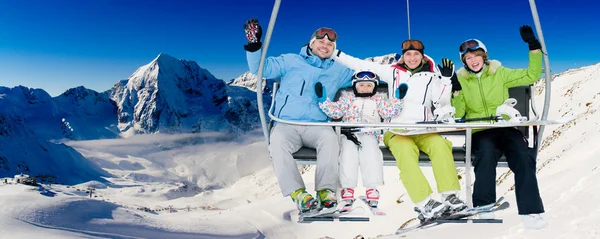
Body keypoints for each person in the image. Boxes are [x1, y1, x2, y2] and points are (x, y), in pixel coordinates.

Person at [332, 40, 467, 220]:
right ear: (403, 56)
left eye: (416, 54)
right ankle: (424, 202)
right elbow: (360, 64)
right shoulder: (393, 72)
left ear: (422, 55)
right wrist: (336, 53)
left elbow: (441, 102)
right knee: (405, 152)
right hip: (397, 130)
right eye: (408, 54)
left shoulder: (432, 75)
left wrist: (446, 81)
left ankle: (449, 196)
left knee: (441, 146)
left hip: (423, 128)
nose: (412, 58)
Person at [243, 18, 354, 213]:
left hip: (317, 126)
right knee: (277, 143)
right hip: (287, 124)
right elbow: (260, 69)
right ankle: (298, 194)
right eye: (321, 42)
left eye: (330, 44)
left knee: (330, 139)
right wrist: (254, 45)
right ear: (312, 43)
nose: (325, 46)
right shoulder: (290, 61)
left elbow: (363, 76)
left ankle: (326, 191)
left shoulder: (339, 70)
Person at [451, 25, 548, 229]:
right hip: (481, 130)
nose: (473, 61)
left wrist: (533, 48)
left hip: (506, 127)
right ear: (464, 62)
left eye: (476, 56)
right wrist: (457, 93)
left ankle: (532, 212)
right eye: (468, 58)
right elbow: (458, 115)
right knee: (485, 154)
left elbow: (531, 75)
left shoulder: (499, 72)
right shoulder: (460, 79)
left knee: (523, 156)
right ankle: (484, 206)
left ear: (484, 56)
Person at [315, 70, 403, 210]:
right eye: (361, 85)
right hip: (349, 133)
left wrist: (398, 100)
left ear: (374, 87)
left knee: (371, 153)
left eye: (369, 85)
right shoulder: (348, 98)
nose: (365, 88)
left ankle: (371, 187)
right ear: (355, 86)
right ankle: (347, 188)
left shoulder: (379, 100)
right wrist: (323, 101)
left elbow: (389, 112)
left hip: (369, 133)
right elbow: (335, 111)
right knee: (347, 153)